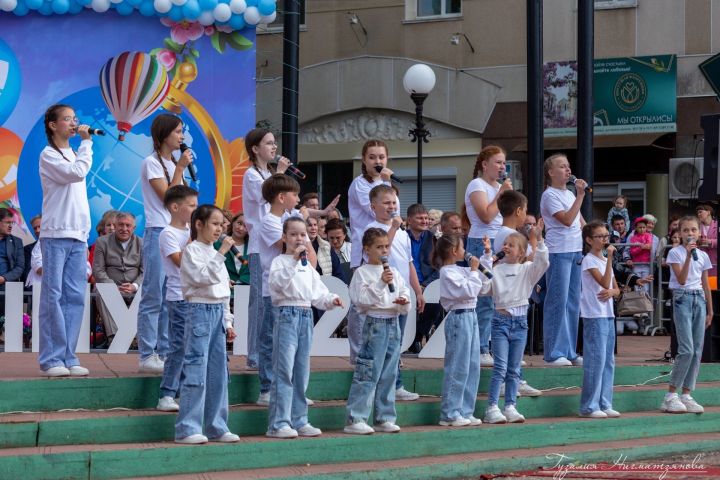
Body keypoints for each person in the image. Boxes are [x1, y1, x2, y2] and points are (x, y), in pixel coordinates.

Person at [266, 217, 343, 438]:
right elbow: (278, 285)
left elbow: (317, 293)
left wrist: (331, 299)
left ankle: (300, 419)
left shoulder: (307, 267)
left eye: (303, 235)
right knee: (284, 370)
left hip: (305, 315)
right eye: (294, 234)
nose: (299, 238)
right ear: (284, 237)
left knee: (301, 371)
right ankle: (278, 422)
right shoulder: (280, 262)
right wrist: (293, 260)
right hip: (286, 314)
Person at [174, 205, 239, 444]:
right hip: (198, 310)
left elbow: (223, 293)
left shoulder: (216, 253)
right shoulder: (192, 250)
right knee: (196, 368)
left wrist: (228, 321)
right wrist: (221, 252)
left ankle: (217, 426)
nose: (219, 229)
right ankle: (187, 428)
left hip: (216, 314)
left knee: (218, 374)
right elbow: (202, 278)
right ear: (199, 224)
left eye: (222, 224)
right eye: (214, 223)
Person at [37, 104, 93, 377]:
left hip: (78, 235)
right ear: (53, 125)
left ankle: (68, 355)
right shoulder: (49, 155)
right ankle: (51, 358)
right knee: (53, 296)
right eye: (68, 119)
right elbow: (76, 173)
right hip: (56, 233)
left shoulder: (73, 152)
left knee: (75, 297)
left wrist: (83, 146)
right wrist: (87, 143)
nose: (74, 123)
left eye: (75, 118)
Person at [137, 114, 193, 373]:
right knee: (153, 295)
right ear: (163, 135)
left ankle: (165, 350)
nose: (182, 137)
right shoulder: (152, 163)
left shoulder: (173, 163)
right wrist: (180, 169)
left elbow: (185, 205)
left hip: (180, 232)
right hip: (158, 230)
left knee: (171, 295)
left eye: (182, 132)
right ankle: (147, 353)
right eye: (178, 132)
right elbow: (170, 199)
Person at [257, 174, 317, 406]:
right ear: (282, 197)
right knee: (272, 339)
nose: (298, 198)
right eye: (295, 194)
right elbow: (289, 248)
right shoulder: (269, 221)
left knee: (294, 345)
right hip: (275, 290)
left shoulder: (289, 220)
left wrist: (303, 232)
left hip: (297, 290)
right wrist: (300, 227)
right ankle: (267, 388)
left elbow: (310, 261)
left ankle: (292, 389)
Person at [344, 228, 411, 435]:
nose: (384, 251)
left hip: (393, 322)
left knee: (390, 372)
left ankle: (384, 416)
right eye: (379, 247)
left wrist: (403, 301)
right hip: (375, 323)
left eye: (387, 246)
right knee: (368, 370)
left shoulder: (395, 272)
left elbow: (403, 292)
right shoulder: (361, 273)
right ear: (367, 248)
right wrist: (382, 282)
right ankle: (356, 416)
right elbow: (361, 301)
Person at [365, 184, 424, 401]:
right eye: (386, 203)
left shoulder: (403, 234)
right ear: (374, 206)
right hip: (381, 294)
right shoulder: (371, 229)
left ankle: (395, 383)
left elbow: (409, 264)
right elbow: (378, 253)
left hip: (401, 293)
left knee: (396, 342)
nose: (391, 207)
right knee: (381, 342)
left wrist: (417, 291)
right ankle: (382, 384)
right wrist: (392, 229)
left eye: (394, 202)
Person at [484, 230, 548, 424]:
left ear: (521, 252)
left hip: (520, 324)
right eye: (505, 244)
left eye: (511, 245)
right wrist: (488, 258)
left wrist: (538, 239)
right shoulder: (496, 270)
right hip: (500, 321)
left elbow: (543, 262)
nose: (506, 247)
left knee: (514, 368)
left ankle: (510, 406)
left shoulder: (527, 269)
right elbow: (483, 288)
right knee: (500, 367)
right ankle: (492, 407)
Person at [347, 140, 397, 364]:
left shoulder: (387, 185)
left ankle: (381, 352)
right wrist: (386, 181)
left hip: (385, 248)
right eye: (372, 157)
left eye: (381, 157)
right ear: (364, 160)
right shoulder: (359, 184)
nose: (378, 161)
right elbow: (373, 210)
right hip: (364, 249)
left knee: (382, 298)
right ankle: (358, 354)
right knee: (361, 304)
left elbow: (392, 212)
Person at [434, 233, 491, 427]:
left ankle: (466, 410)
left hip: (471, 315)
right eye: (462, 247)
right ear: (454, 251)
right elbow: (467, 290)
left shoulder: (463, 270)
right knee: (458, 364)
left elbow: (482, 287)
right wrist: (474, 271)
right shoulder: (447, 272)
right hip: (458, 317)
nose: (465, 252)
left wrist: (486, 257)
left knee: (472, 365)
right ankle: (450, 412)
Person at [464, 145, 512, 367]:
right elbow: (485, 215)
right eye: (498, 162)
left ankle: (495, 346)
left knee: (499, 297)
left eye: (504, 162)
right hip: (481, 241)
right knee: (484, 297)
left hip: (500, 239)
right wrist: (501, 194)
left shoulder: (500, 186)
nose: (502, 166)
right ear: (485, 164)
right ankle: (481, 347)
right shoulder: (477, 184)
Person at [661, 216, 713, 414]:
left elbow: (705, 283)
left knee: (697, 350)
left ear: (699, 233)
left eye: (693, 230)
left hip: (699, 299)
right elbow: (681, 280)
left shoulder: (704, 255)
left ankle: (686, 393)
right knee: (687, 349)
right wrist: (689, 256)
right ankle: (670, 395)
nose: (690, 233)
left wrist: (710, 309)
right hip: (682, 298)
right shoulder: (675, 253)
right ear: (680, 233)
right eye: (686, 230)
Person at [540, 153, 587, 367]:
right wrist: (580, 195)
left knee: (572, 302)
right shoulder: (550, 195)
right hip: (559, 251)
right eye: (562, 166)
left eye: (568, 166)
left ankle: (569, 350)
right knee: (557, 301)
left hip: (576, 250)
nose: (567, 170)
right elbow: (568, 220)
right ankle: (553, 351)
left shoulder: (568, 194)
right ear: (551, 172)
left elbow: (580, 222)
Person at [156, 185, 198, 412]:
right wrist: (195, 239)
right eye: (191, 206)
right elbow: (181, 261)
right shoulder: (168, 233)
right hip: (178, 295)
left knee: (192, 347)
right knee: (178, 346)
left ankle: (183, 392)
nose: (195, 210)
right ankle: (167, 393)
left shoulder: (191, 231)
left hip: (197, 295)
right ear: (175, 207)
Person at [579, 221, 621, 419]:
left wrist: (613, 291)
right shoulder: (589, 260)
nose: (605, 239)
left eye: (606, 236)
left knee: (608, 360)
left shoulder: (605, 260)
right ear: (589, 240)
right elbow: (604, 282)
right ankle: (589, 405)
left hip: (607, 314)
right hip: (594, 315)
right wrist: (610, 258)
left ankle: (605, 402)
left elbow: (615, 289)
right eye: (600, 236)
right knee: (596, 360)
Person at [91, 212, 143, 346]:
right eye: (120, 225)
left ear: (134, 228)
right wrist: (112, 286)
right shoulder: (102, 242)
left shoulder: (142, 243)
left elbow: (145, 272)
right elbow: (98, 270)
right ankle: (116, 338)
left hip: (134, 288)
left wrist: (134, 286)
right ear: (115, 226)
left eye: (128, 225)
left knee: (149, 292)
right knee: (102, 291)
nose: (124, 229)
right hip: (111, 286)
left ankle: (136, 338)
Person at [214, 213, 250, 286]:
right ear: (233, 222)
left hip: (244, 289)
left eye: (246, 226)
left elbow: (253, 271)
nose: (240, 228)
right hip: (222, 287)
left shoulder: (252, 248)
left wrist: (240, 282)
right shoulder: (218, 243)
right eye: (239, 223)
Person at [0, 208, 26, 295]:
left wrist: (4, 278)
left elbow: (19, 267)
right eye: (7, 222)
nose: (11, 225)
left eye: (12, 222)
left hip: (7, 286)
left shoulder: (17, 242)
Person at [628, 217, 653, 292]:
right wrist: (641, 248)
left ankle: (645, 302)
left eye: (644, 227)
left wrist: (641, 246)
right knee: (637, 284)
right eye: (640, 227)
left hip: (646, 264)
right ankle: (638, 302)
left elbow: (649, 246)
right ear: (636, 228)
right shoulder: (633, 238)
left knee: (646, 286)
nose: (642, 229)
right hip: (636, 264)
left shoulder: (648, 235)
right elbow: (632, 252)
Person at [696, 204, 717, 283]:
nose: (698, 214)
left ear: (708, 212)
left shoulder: (718, 225)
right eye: (697, 213)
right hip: (700, 262)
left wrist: (711, 242)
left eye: (700, 212)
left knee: (714, 287)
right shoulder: (696, 226)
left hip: (715, 261)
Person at [22, 215, 41, 285]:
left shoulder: (59, 247)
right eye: (35, 228)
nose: (37, 230)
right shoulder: (28, 249)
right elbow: (26, 272)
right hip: (34, 290)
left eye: (40, 227)